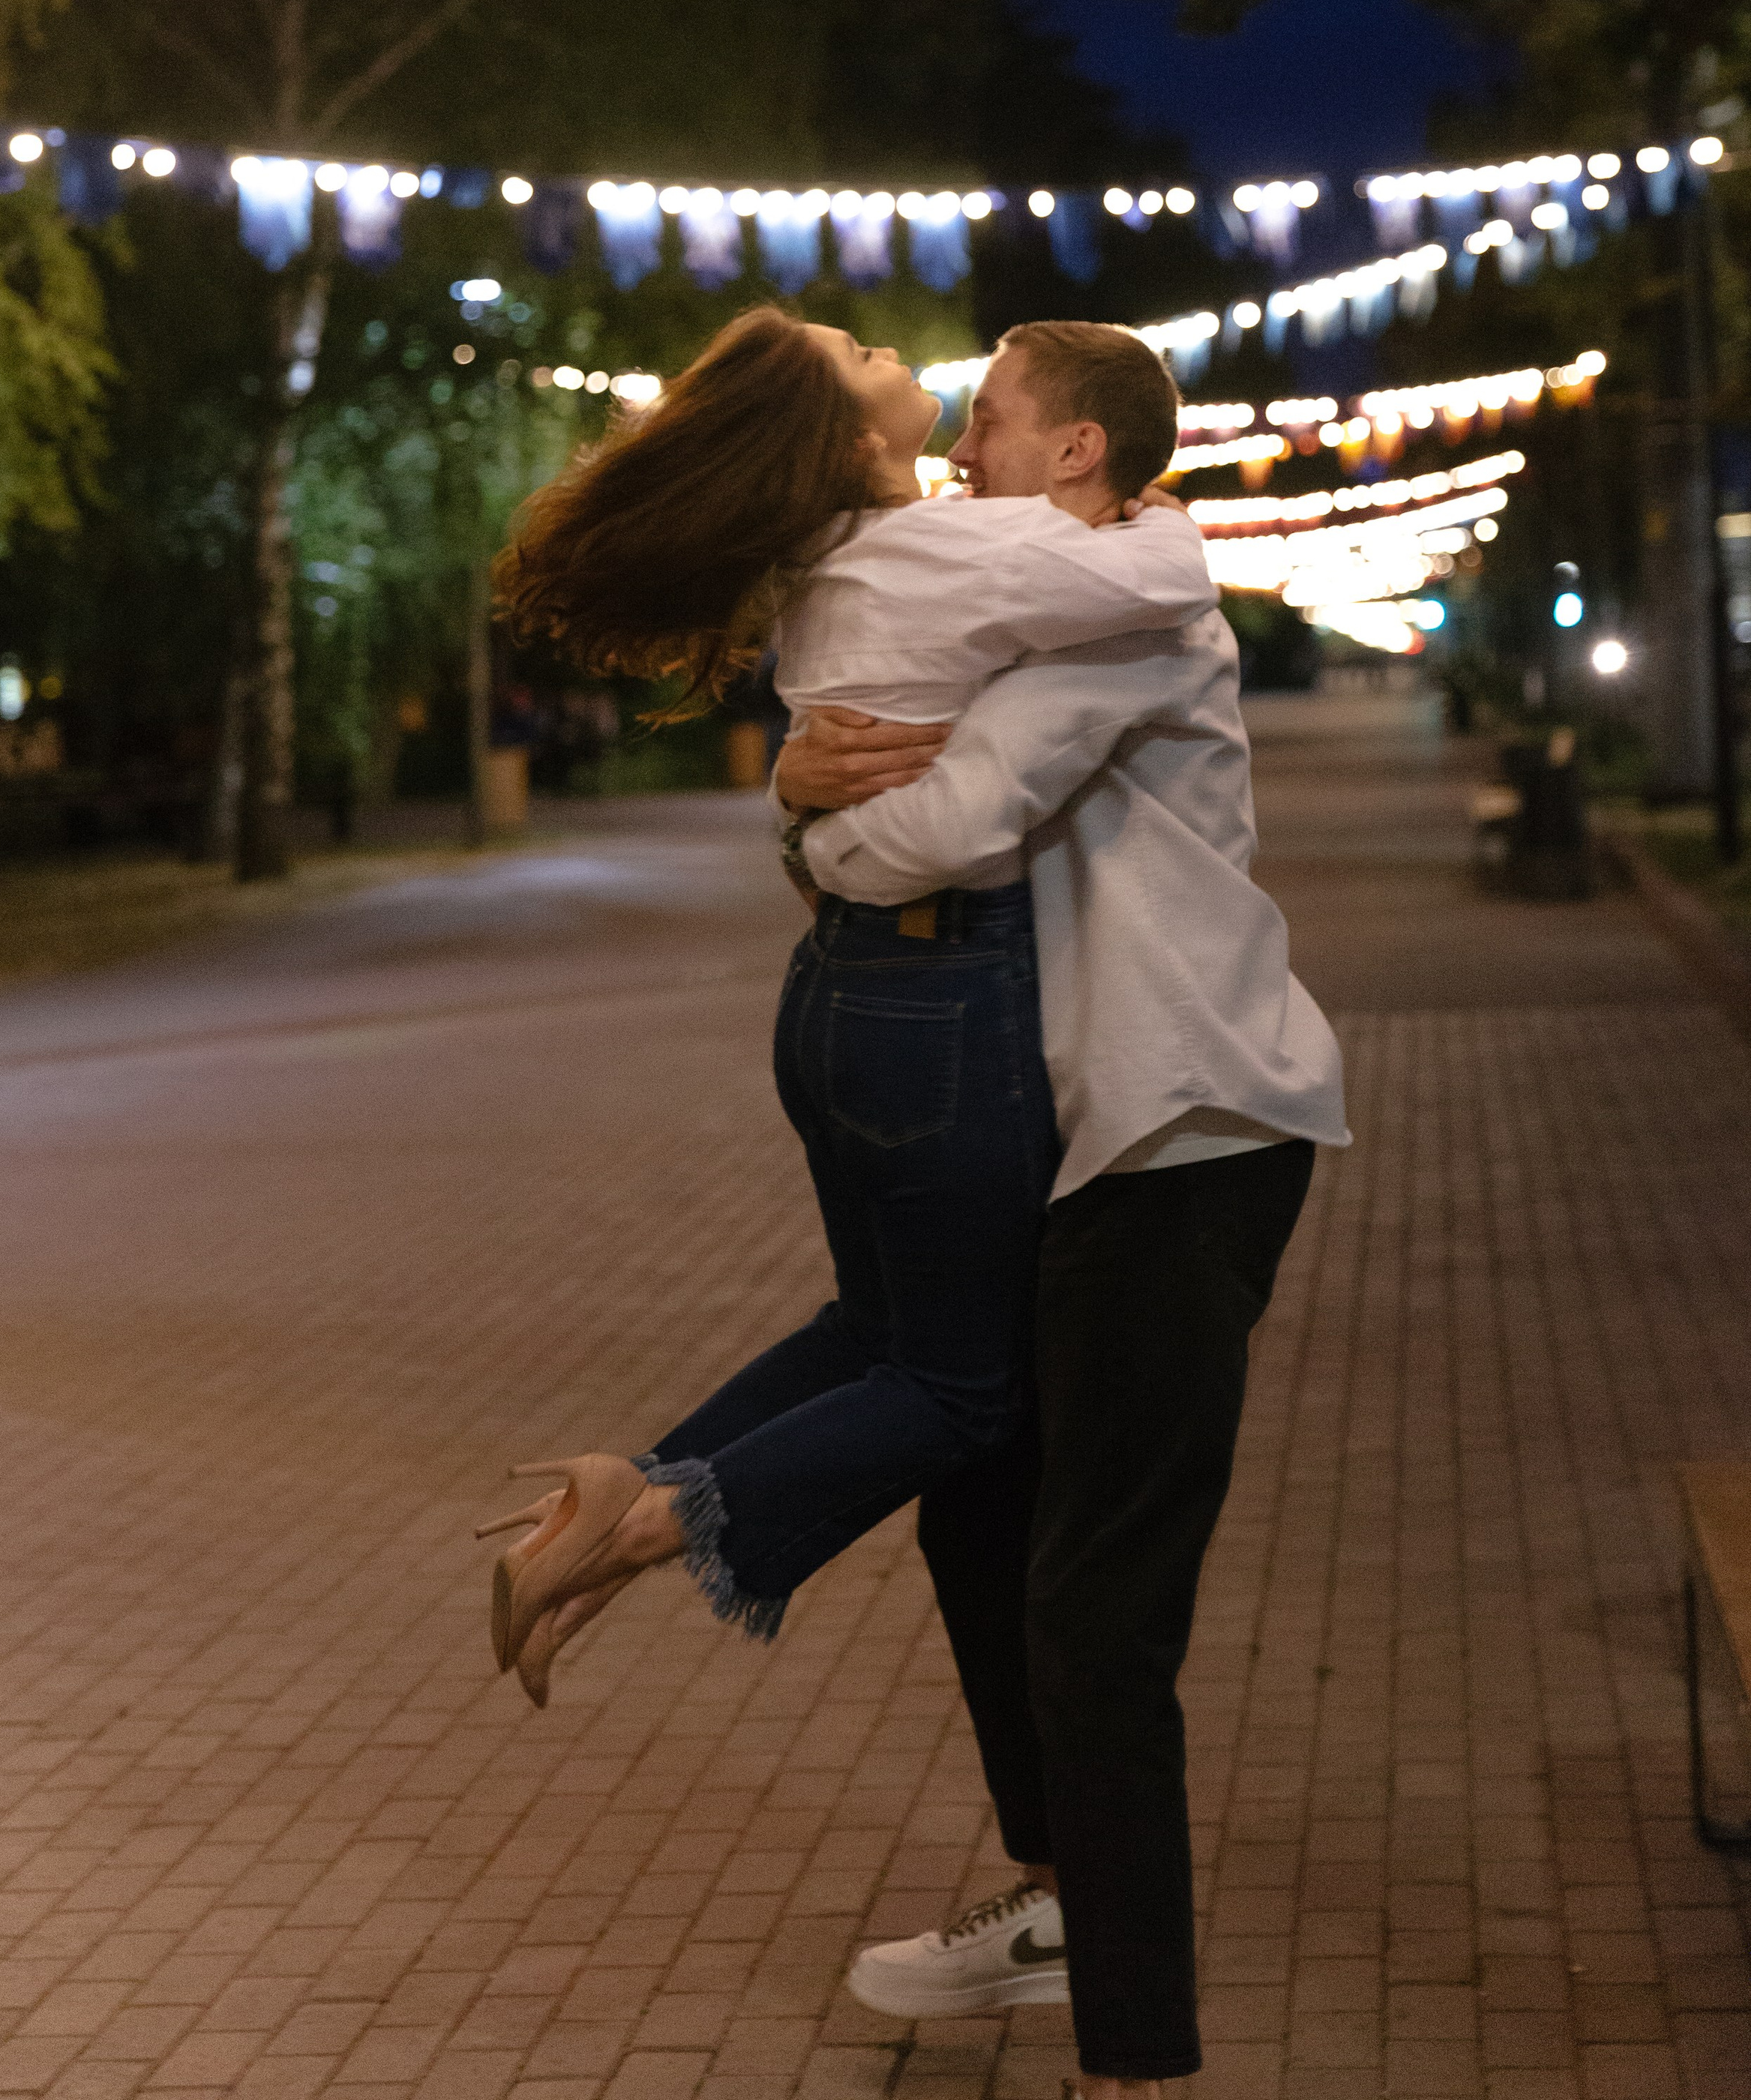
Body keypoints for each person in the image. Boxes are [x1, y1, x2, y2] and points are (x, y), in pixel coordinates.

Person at [479, 304, 1213, 1723]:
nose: (892, 353)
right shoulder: (951, 547)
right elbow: (1172, 571)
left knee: (879, 1333)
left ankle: (632, 1489)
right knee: (962, 1390)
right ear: (844, 436)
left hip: (840, 1002)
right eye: (860, 357)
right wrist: (1146, 506)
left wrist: (796, 819)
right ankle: (648, 1527)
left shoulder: (841, 558)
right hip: (938, 1003)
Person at [771, 321, 1351, 2099]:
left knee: (1097, 1613)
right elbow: (888, 738)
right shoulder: (1064, 594)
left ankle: (1133, 2052)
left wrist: (805, 829)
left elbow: (944, 820)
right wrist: (806, 790)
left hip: (1184, 1132)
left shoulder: (1123, 600)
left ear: (1079, 456)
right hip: (1103, 1138)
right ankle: (1053, 1895)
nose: (962, 454)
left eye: (994, 426)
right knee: (980, 1507)